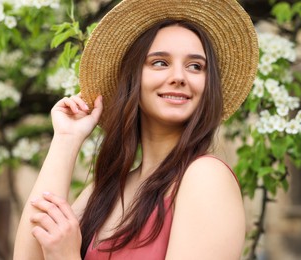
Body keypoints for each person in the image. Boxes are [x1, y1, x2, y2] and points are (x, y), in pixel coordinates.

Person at [14, 0, 259, 259]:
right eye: (160, 62)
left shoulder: (205, 177)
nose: (179, 76)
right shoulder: (104, 192)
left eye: (195, 66)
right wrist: (66, 139)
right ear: (133, 78)